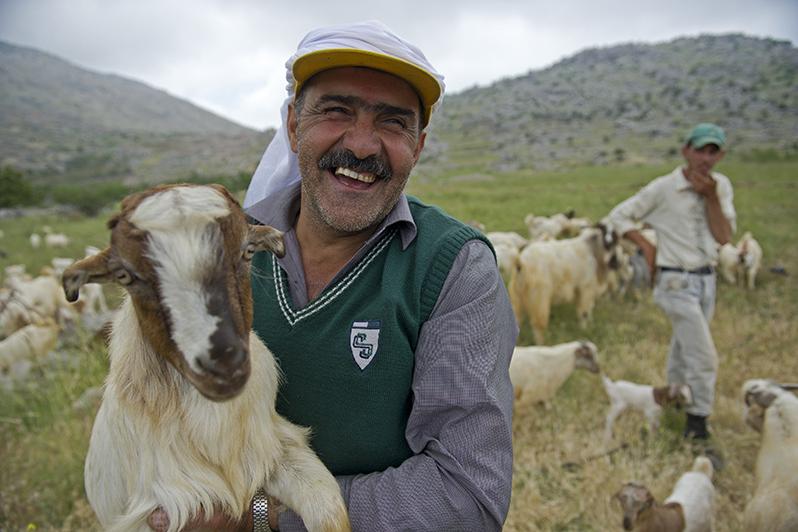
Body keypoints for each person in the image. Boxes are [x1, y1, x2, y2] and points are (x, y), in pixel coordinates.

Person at [149, 20, 517, 532]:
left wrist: (260, 517)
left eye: (393, 122)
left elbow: (467, 497)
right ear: (293, 126)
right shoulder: (218, 254)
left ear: (418, 146)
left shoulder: (452, 267)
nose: (362, 146)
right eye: (337, 111)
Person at [607, 123, 735, 449]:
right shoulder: (664, 188)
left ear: (720, 155)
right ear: (686, 151)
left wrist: (711, 197)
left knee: (684, 347)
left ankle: (673, 405)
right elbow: (618, 216)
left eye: (713, 152)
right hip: (675, 281)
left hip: (706, 280)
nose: (706, 158)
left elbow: (724, 237)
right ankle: (697, 428)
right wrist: (647, 246)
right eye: (700, 150)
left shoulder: (721, 186)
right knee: (703, 356)